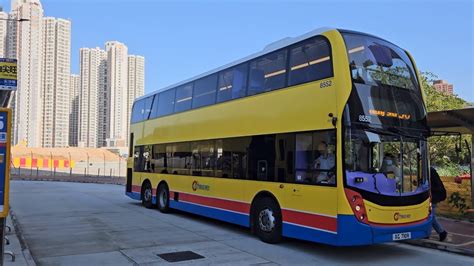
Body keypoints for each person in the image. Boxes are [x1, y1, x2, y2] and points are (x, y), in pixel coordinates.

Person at [430, 166, 448, 242]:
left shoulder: (430, 172)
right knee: (429, 216)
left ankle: (442, 232)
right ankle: (427, 233)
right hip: (433, 196)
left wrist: (428, 188)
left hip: (434, 197)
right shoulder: (431, 172)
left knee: (431, 217)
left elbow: (437, 188)